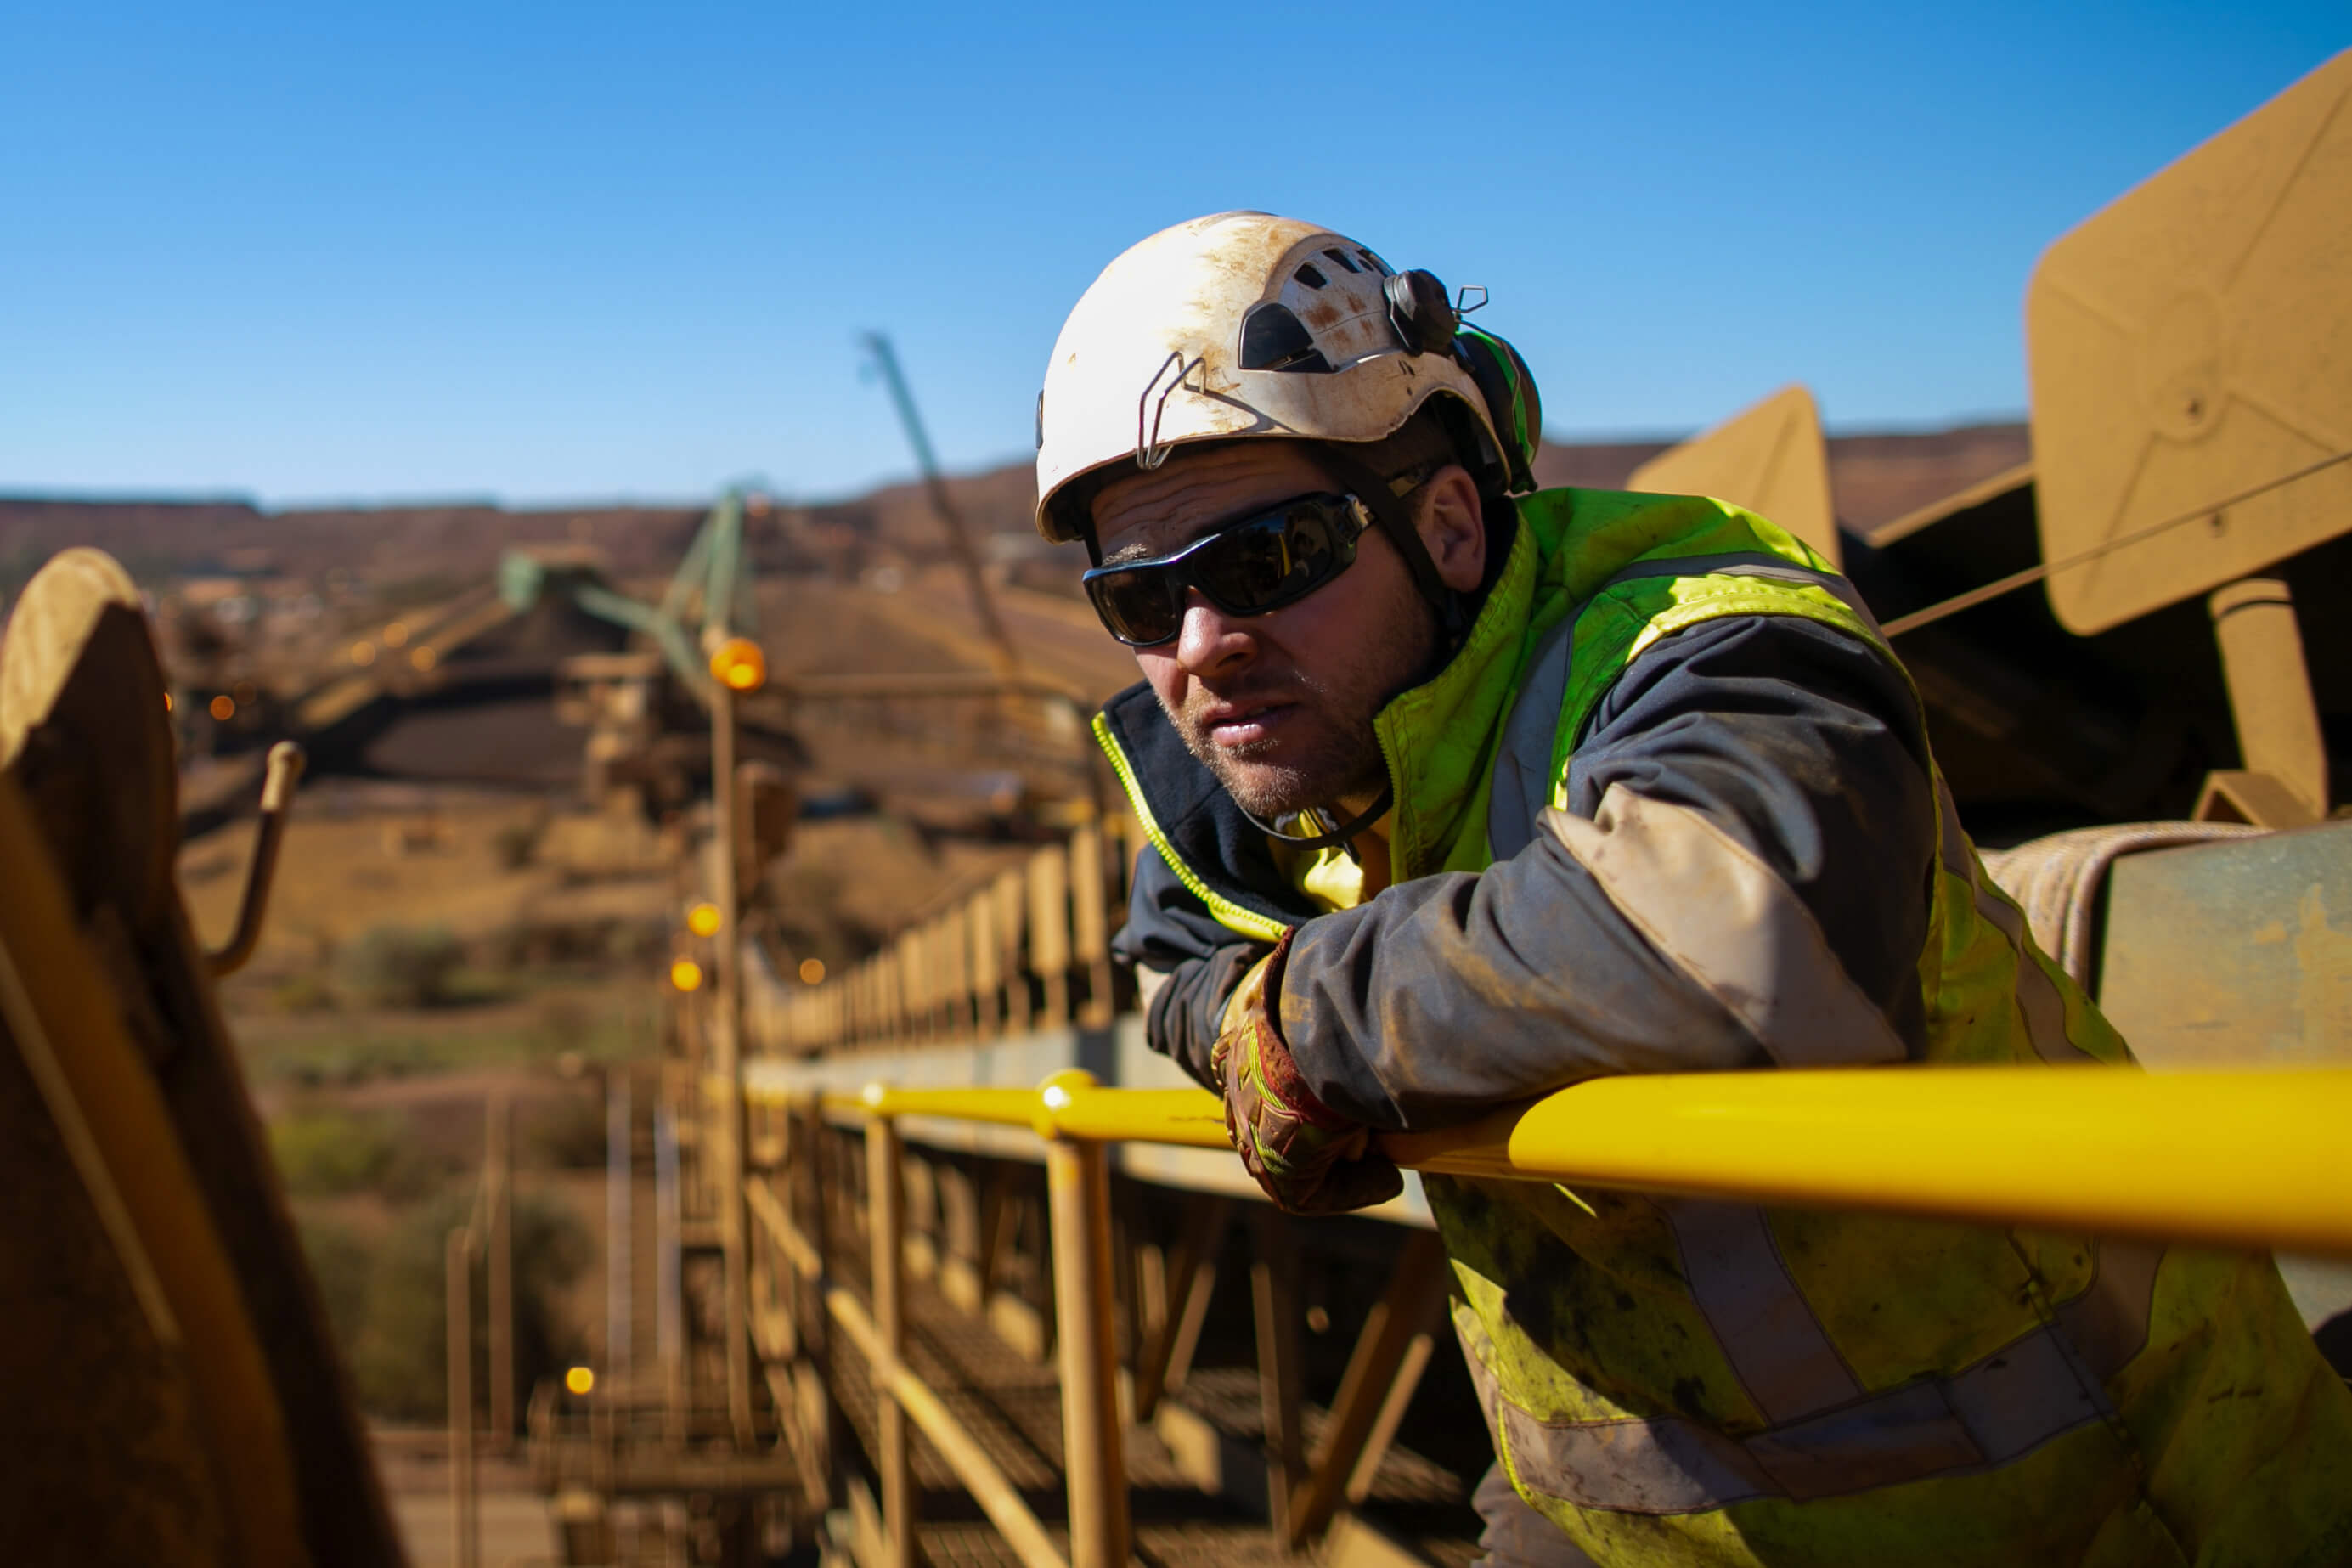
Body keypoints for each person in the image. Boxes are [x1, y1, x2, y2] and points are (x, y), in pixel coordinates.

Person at [1032, 211, 2351, 1566]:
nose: (1202, 643)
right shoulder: (1281, 762)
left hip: (2107, 1504)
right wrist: (1247, 1013)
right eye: (1137, 600)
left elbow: (1730, 931)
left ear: (1445, 524)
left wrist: (1308, 1016)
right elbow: (1177, 956)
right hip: (1613, 1519)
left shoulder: (1699, 639)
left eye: (1265, 561)